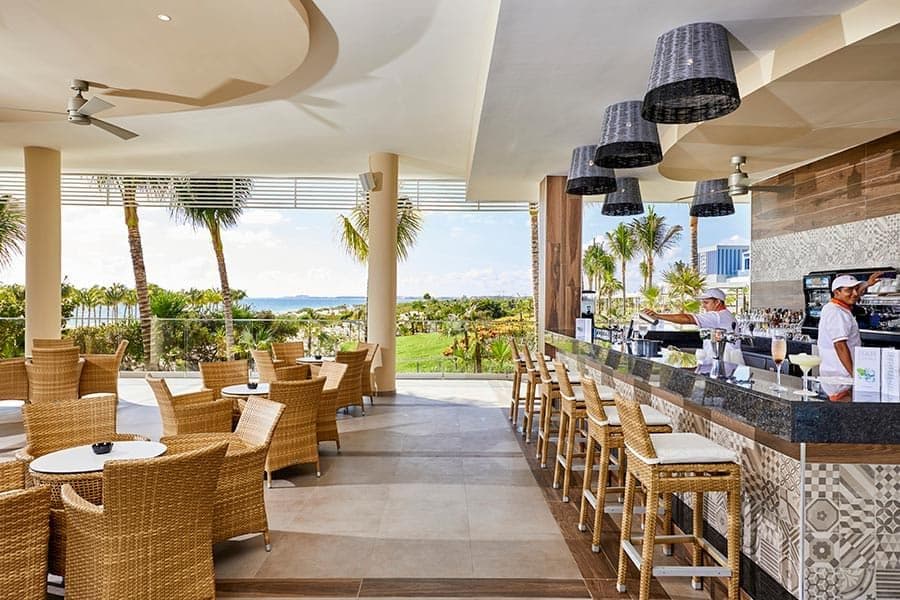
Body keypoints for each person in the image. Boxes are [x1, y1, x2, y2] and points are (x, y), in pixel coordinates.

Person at [642, 288, 739, 359]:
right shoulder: (726, 315)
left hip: (723, 361)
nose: (703, 306)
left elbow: (688, 318)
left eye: (706, 302)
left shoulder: (717, 316)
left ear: (717, 302)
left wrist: (658, 315)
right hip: (724, 360)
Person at [817, 272, 882, 377]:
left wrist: (867, 283)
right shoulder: (836, 312)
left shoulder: (836, 307)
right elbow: (840, 345)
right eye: (849, 290)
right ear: (837, 292)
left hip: (839, 373)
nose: (855, 293)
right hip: (841, 375)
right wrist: (855, 375)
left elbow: (853, 293)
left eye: (856, 289)